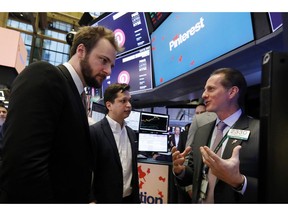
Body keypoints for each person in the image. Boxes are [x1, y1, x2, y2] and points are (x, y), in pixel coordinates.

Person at [0, 26, 121, 203]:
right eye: (103, 60)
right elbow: (23, 167)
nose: (108, 71)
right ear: (81, 50)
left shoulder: (75, 95)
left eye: (111, 65)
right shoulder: (44, 75)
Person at [172, 67, 259, 203]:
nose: (204, 95)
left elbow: (276, 187)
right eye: (205, 89)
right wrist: (181, 171)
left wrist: (239, 181)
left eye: (211, 89)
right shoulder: (202, 130)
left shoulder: (258, 131)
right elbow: (196, 173)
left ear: (232, 92)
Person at [90, 83, 140, 203]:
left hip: (129, 201)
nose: (129, 105)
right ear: (109, 105)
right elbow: (87, 171)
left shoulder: (131, 133)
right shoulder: (95, 132)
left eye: (129, 100)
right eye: (123, 101)